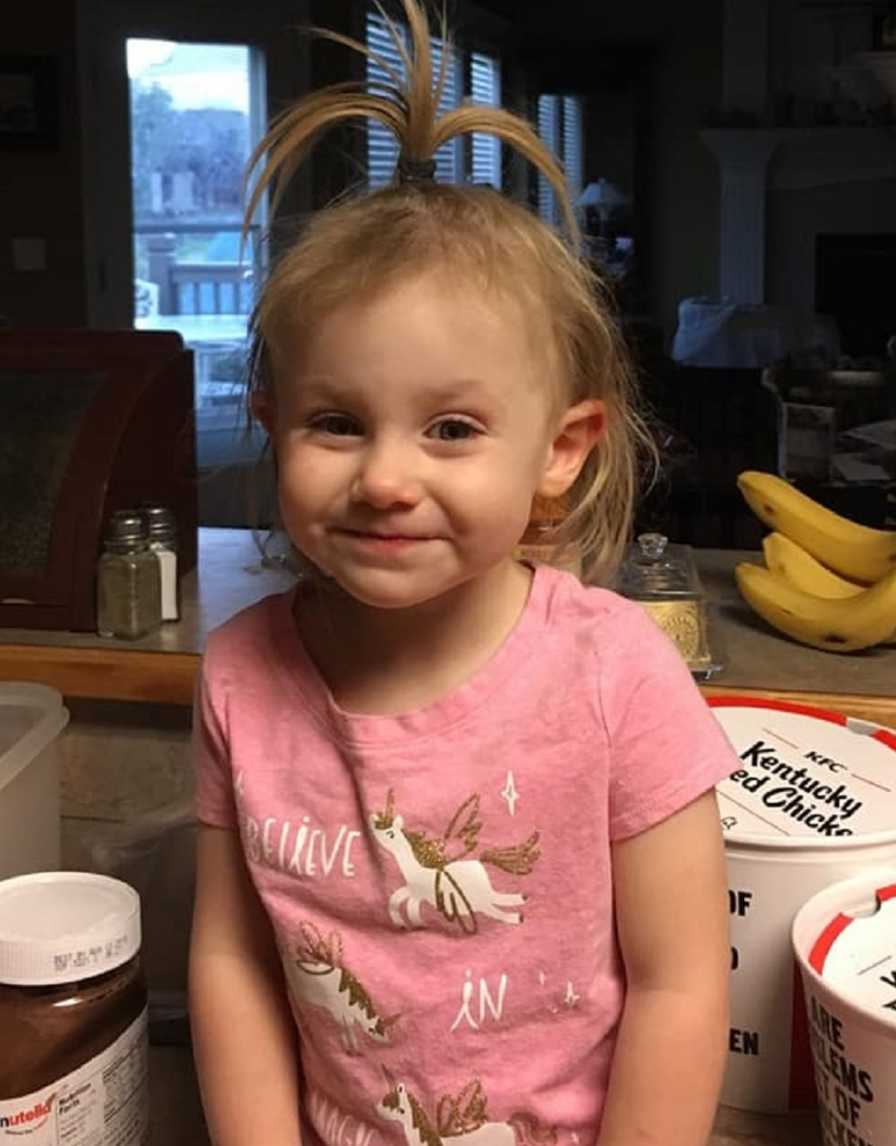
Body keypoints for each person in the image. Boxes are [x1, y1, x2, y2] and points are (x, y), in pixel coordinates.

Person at [188, 3, 736, 1144]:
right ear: (271, 423)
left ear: (560, 450)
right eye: (337, 421)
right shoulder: (241, 672)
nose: (387, 478)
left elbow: (682, 987)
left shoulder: (617, 675)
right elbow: (233, 963)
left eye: (449, 429)